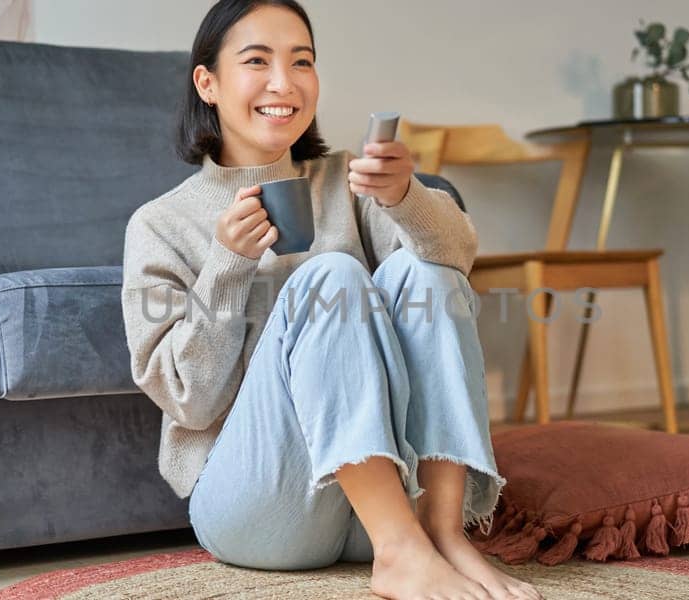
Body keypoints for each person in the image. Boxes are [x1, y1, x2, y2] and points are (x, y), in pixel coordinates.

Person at [122, 2, 540, 598]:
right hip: (259, 510)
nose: (283, 83)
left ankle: (443, 537)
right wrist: (228, 264)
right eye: (257, 61)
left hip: (385, 502)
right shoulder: (159, 224)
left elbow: (457, 259)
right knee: (334, 276)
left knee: (429, 272)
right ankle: (402, 554)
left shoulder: (347, 179)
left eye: (302, 62)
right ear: (207, 83)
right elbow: (188, 400)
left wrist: (403, 197)